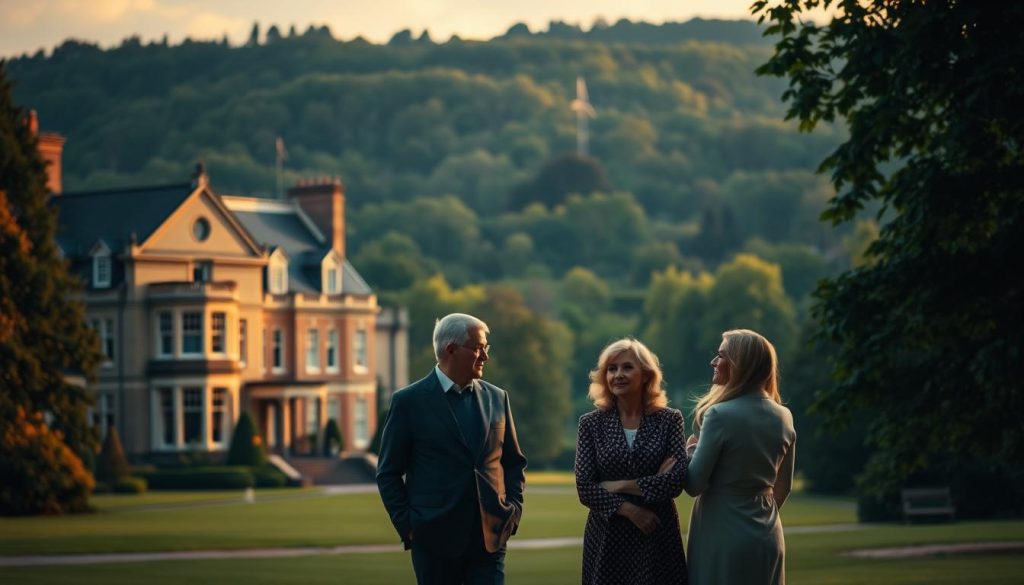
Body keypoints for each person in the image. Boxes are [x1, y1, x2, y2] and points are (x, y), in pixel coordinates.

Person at [376, 313, 527, 585]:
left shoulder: (497, 397)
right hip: (433, 543)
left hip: (490, 542)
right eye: (479, 348)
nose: (485, 356)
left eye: (486, 348)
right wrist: (409, 527)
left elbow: (513, 463)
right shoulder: (408, 402)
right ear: (451, 349)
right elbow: (388, 473)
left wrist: (512, 513)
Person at [684, 329, 796, 585]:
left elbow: (693, 484)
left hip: (721, 533)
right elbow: (784, 486)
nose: (714, 361)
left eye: (721, 355)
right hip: (768, 532)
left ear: (739, 363)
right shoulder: (784, 416)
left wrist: (690, 450)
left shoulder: (719, 415)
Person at [574, 338, 688, 585]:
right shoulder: (590, 424)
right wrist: (633, 510)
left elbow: (675, 482)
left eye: (627, 367)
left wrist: (619, 484)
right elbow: (585, 488)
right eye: (612, 369)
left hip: (657, 534)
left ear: (646, 375)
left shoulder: (670, 421)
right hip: (607, 537)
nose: (618, 375)